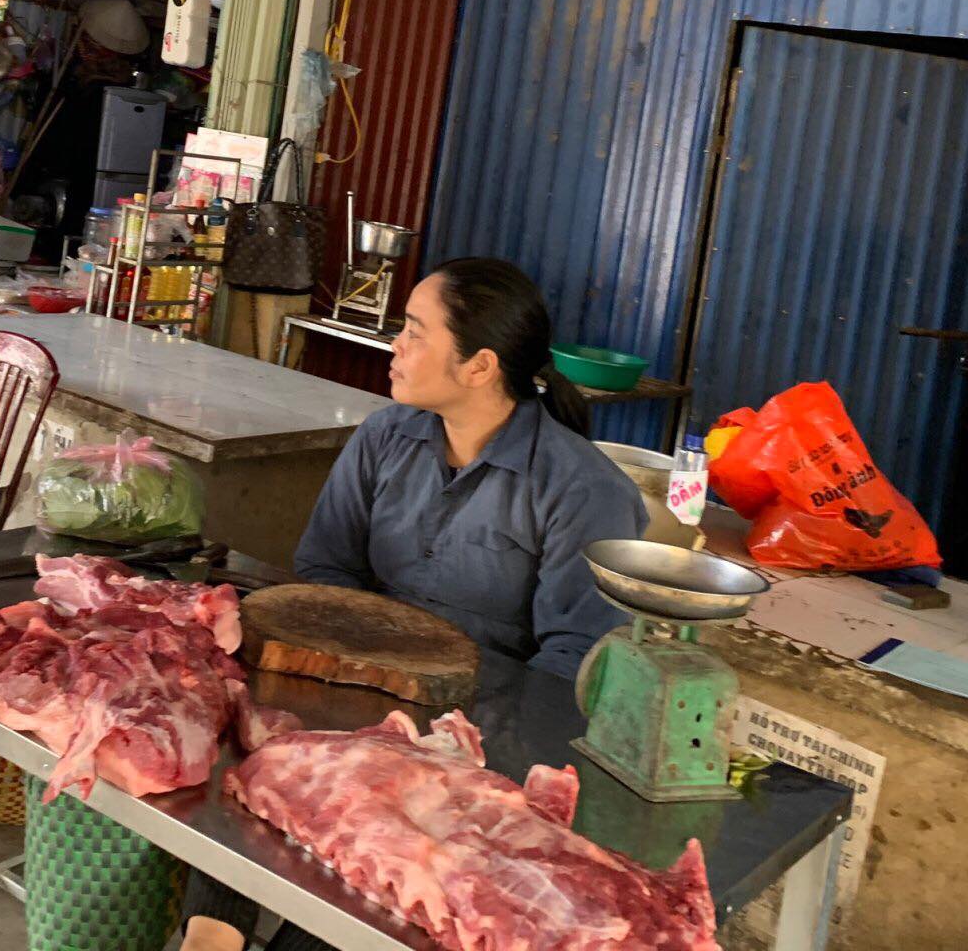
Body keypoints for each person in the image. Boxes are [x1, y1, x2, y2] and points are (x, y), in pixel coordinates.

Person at [174, 257, 648, 951]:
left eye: (415, 332)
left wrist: (449, 757)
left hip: (478, 747)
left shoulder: (582, 488)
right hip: (356, 701)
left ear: (479, 366)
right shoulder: (385, 438)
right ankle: (212, 935)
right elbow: (326, 573)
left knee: (360, 878)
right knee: (246, 779)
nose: (395, 345)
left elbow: (572, 662)